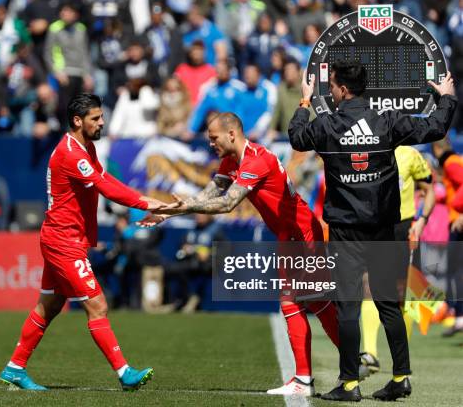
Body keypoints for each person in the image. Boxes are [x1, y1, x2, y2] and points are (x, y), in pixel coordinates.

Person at [288, 60, 456, 401]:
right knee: (389, 306)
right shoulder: (387, 121)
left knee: (348, 306)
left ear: (343, 89)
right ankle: (401, 377)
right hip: (385, 229)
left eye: (332, 85)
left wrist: (304, 102)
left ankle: (349, 385)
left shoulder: (327, 125)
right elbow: (436, 128)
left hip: (347, 232)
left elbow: (295, 136)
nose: (330, 91)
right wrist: (447, 97)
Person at [143, 112, 340, 396]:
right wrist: (171, 211)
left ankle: (310, 378)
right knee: (314, 303)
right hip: (291, 234)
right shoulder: (232, 160)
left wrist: (186, 208)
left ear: (231, 134)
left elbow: (227, 204)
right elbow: (209, 193)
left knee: (297, 303)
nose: (210, 143)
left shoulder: (256, 160)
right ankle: (340, 365)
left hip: (302, 234)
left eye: (213, 138)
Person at [0, 93, 165, 391]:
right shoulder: (71, 154)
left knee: (49, 306)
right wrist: (146, 202)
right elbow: (105, 188)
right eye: (96, 118)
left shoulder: (85, 148)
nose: (102, 122)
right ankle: (124, 373)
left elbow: (105, 179)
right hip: (63, 241)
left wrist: (144, 201)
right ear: (78, 121)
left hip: (61, 237)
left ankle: (15, 367)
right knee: (97, 304)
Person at [360, 146, 436, 373]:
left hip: (403, 227)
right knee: (369, 285)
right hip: (375, 226)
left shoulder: (410, 154)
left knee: (403, 294)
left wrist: (422, 220)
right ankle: (370, 353)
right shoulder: (368, 148)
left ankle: (402, 358)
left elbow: (429, 188)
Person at [431, 139, 463, 337]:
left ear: (436, 148)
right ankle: (457, 314)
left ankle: (459, 316)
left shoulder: (451, 163)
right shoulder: (455, 161)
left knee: (456, 271)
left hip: (458, 222)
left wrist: (460, 211)